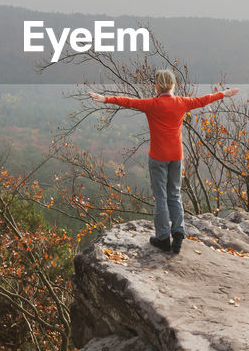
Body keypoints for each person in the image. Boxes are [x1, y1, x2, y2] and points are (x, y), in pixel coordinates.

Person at [89, 70, 239, 253]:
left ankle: (162, 238)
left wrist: (105, 99)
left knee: (161, 197)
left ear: (157, 85)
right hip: (176, 156)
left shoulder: (152, 104)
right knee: (174, 194)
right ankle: (178, 234)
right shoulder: (182, 103)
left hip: (158, 157)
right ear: (173, 85)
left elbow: (128, 102)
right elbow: (203, 100)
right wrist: (223, 94)